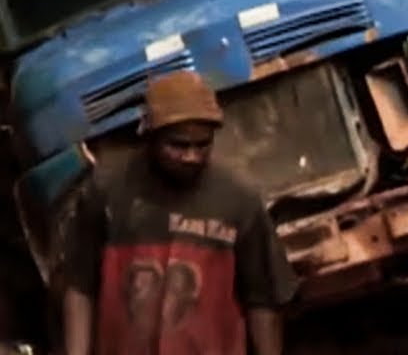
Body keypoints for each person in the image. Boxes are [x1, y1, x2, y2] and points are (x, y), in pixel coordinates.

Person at [61, 70, 298, 355]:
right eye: (178, 145)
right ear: (150, 135)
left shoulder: (238, 198)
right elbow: (79, 286)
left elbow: (262, 301)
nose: (191, 156)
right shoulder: (108, 189)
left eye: (202, 145)